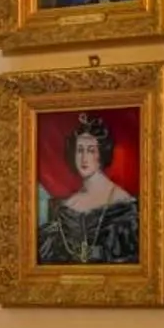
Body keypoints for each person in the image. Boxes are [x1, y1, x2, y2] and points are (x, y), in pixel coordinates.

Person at [37, 113, 140, 266]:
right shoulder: (68, 206)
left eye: (91, 150)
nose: (84, 158)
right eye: (80, 150)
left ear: (101, 154)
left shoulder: (123, 204)